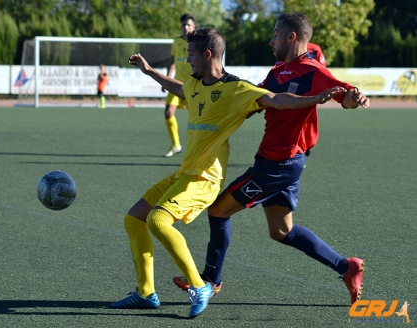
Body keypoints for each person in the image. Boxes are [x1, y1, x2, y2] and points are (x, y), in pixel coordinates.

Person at [111, 27, 345, 319]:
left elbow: (276, 100)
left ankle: (201, 286)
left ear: (207, 54)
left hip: (204, 179)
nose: (187, 59)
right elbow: (179, 89)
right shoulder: (195, 84)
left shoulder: (237, 89)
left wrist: (314, 99)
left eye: (191, 54)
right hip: (185, 173)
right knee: (134, 218)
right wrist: (149, 72)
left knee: (159, 221)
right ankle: (146, 293)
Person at [173, 13, 370, 306]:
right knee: (281, 231)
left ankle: (210, 280)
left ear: (292, 37)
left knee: (218, 211)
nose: (270, 40)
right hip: (279, 161)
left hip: (279, 164)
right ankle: (347, 266)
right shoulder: (277, 71)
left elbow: (345, 96)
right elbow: (255, 100)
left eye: (275, 35)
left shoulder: (312, 71)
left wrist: (356, 97)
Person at [162, 13, 196, 157]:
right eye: (183, 25)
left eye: (189, 24)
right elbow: (172, 62)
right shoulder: (176, 42)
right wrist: (167, 79)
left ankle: (195, 149)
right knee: (168, 112)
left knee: (195, 119)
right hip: (176, 85)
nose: (186, 27)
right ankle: (176, 145)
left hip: (193, 86)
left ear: (194, 27)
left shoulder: (198, 42)